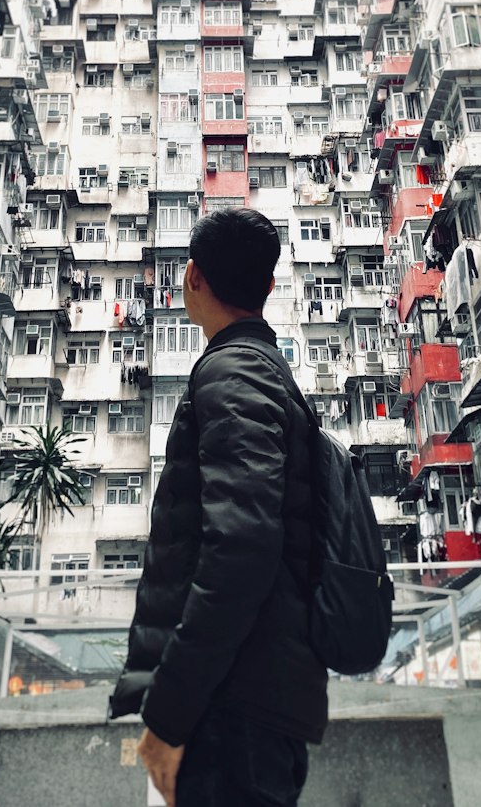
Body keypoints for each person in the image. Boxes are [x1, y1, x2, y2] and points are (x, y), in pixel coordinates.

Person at [109, 208, 328, 806]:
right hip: (250, 704)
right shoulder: (258, 372)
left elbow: (242, 549)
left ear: (192, 277)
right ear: (270, 289)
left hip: (231, 715)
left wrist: (171, 715)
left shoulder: (234, 376)